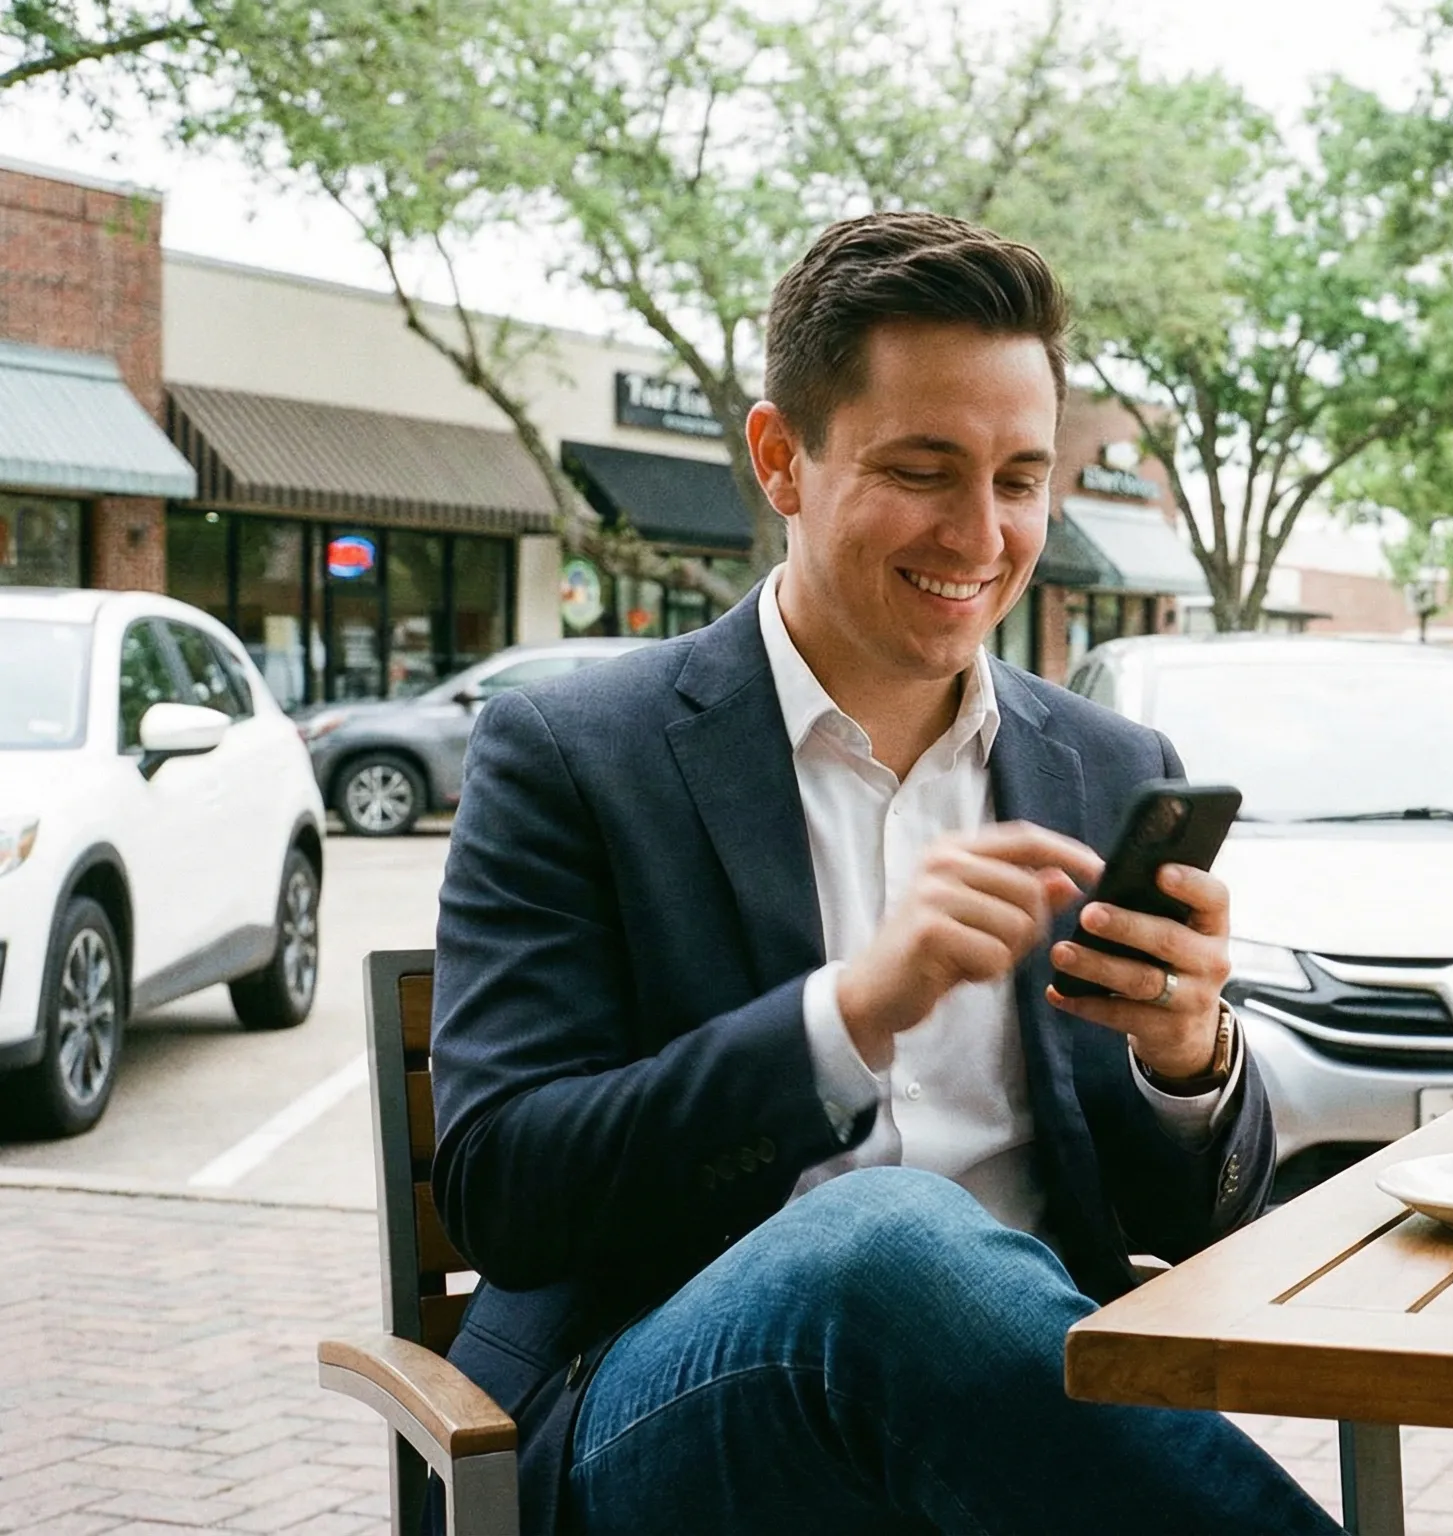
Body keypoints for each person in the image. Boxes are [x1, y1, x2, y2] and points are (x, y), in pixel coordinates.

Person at [429, 211, 1342, 1535]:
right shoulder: (574, 753)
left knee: (936, 1278)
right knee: (887, 1239)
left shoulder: (1104, 761)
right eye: (924, 469)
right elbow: (510, 1193)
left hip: (1016, 1428)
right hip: (666, 1416)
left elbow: (1198, 1228)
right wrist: (847, 1013)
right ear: (780, 459)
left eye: (1020, 480)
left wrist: (1190, 1061)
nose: (981, 534)